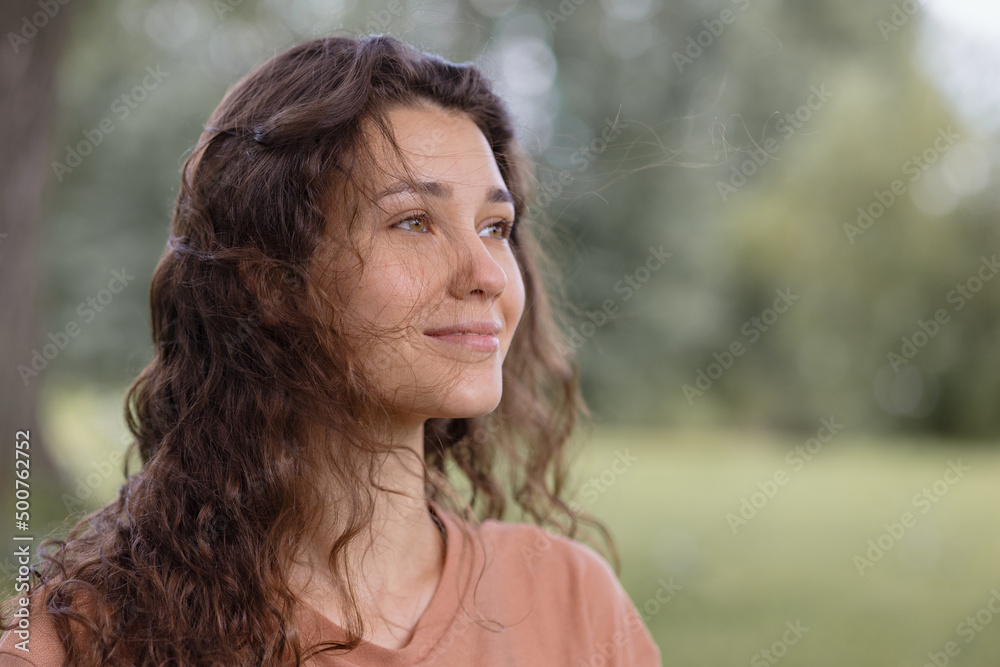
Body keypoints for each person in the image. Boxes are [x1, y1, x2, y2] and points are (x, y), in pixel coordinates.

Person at [0, 33, 660, 666]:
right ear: (271, 281)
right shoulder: (80, 642)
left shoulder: (574, 605)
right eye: (413, 221)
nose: (487, 273)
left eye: (495, 227)